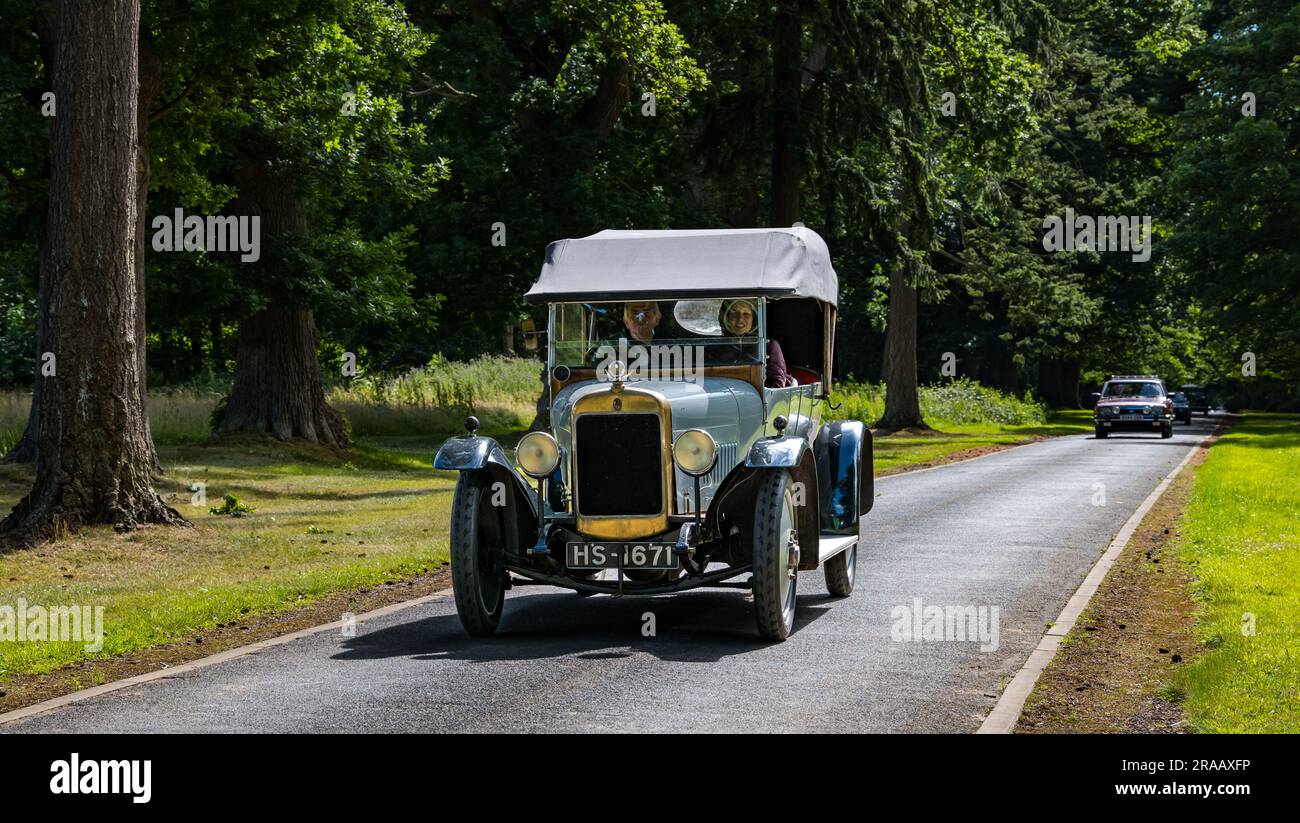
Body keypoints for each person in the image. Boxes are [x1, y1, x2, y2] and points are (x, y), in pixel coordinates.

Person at [721, 298, 792, 388]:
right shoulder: (714, 345)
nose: (740, 318)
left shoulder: (769, 345)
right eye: (734, 312)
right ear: (726, 317)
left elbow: (777, 384)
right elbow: (700, 380)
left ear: (754, 318)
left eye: (746, 313)